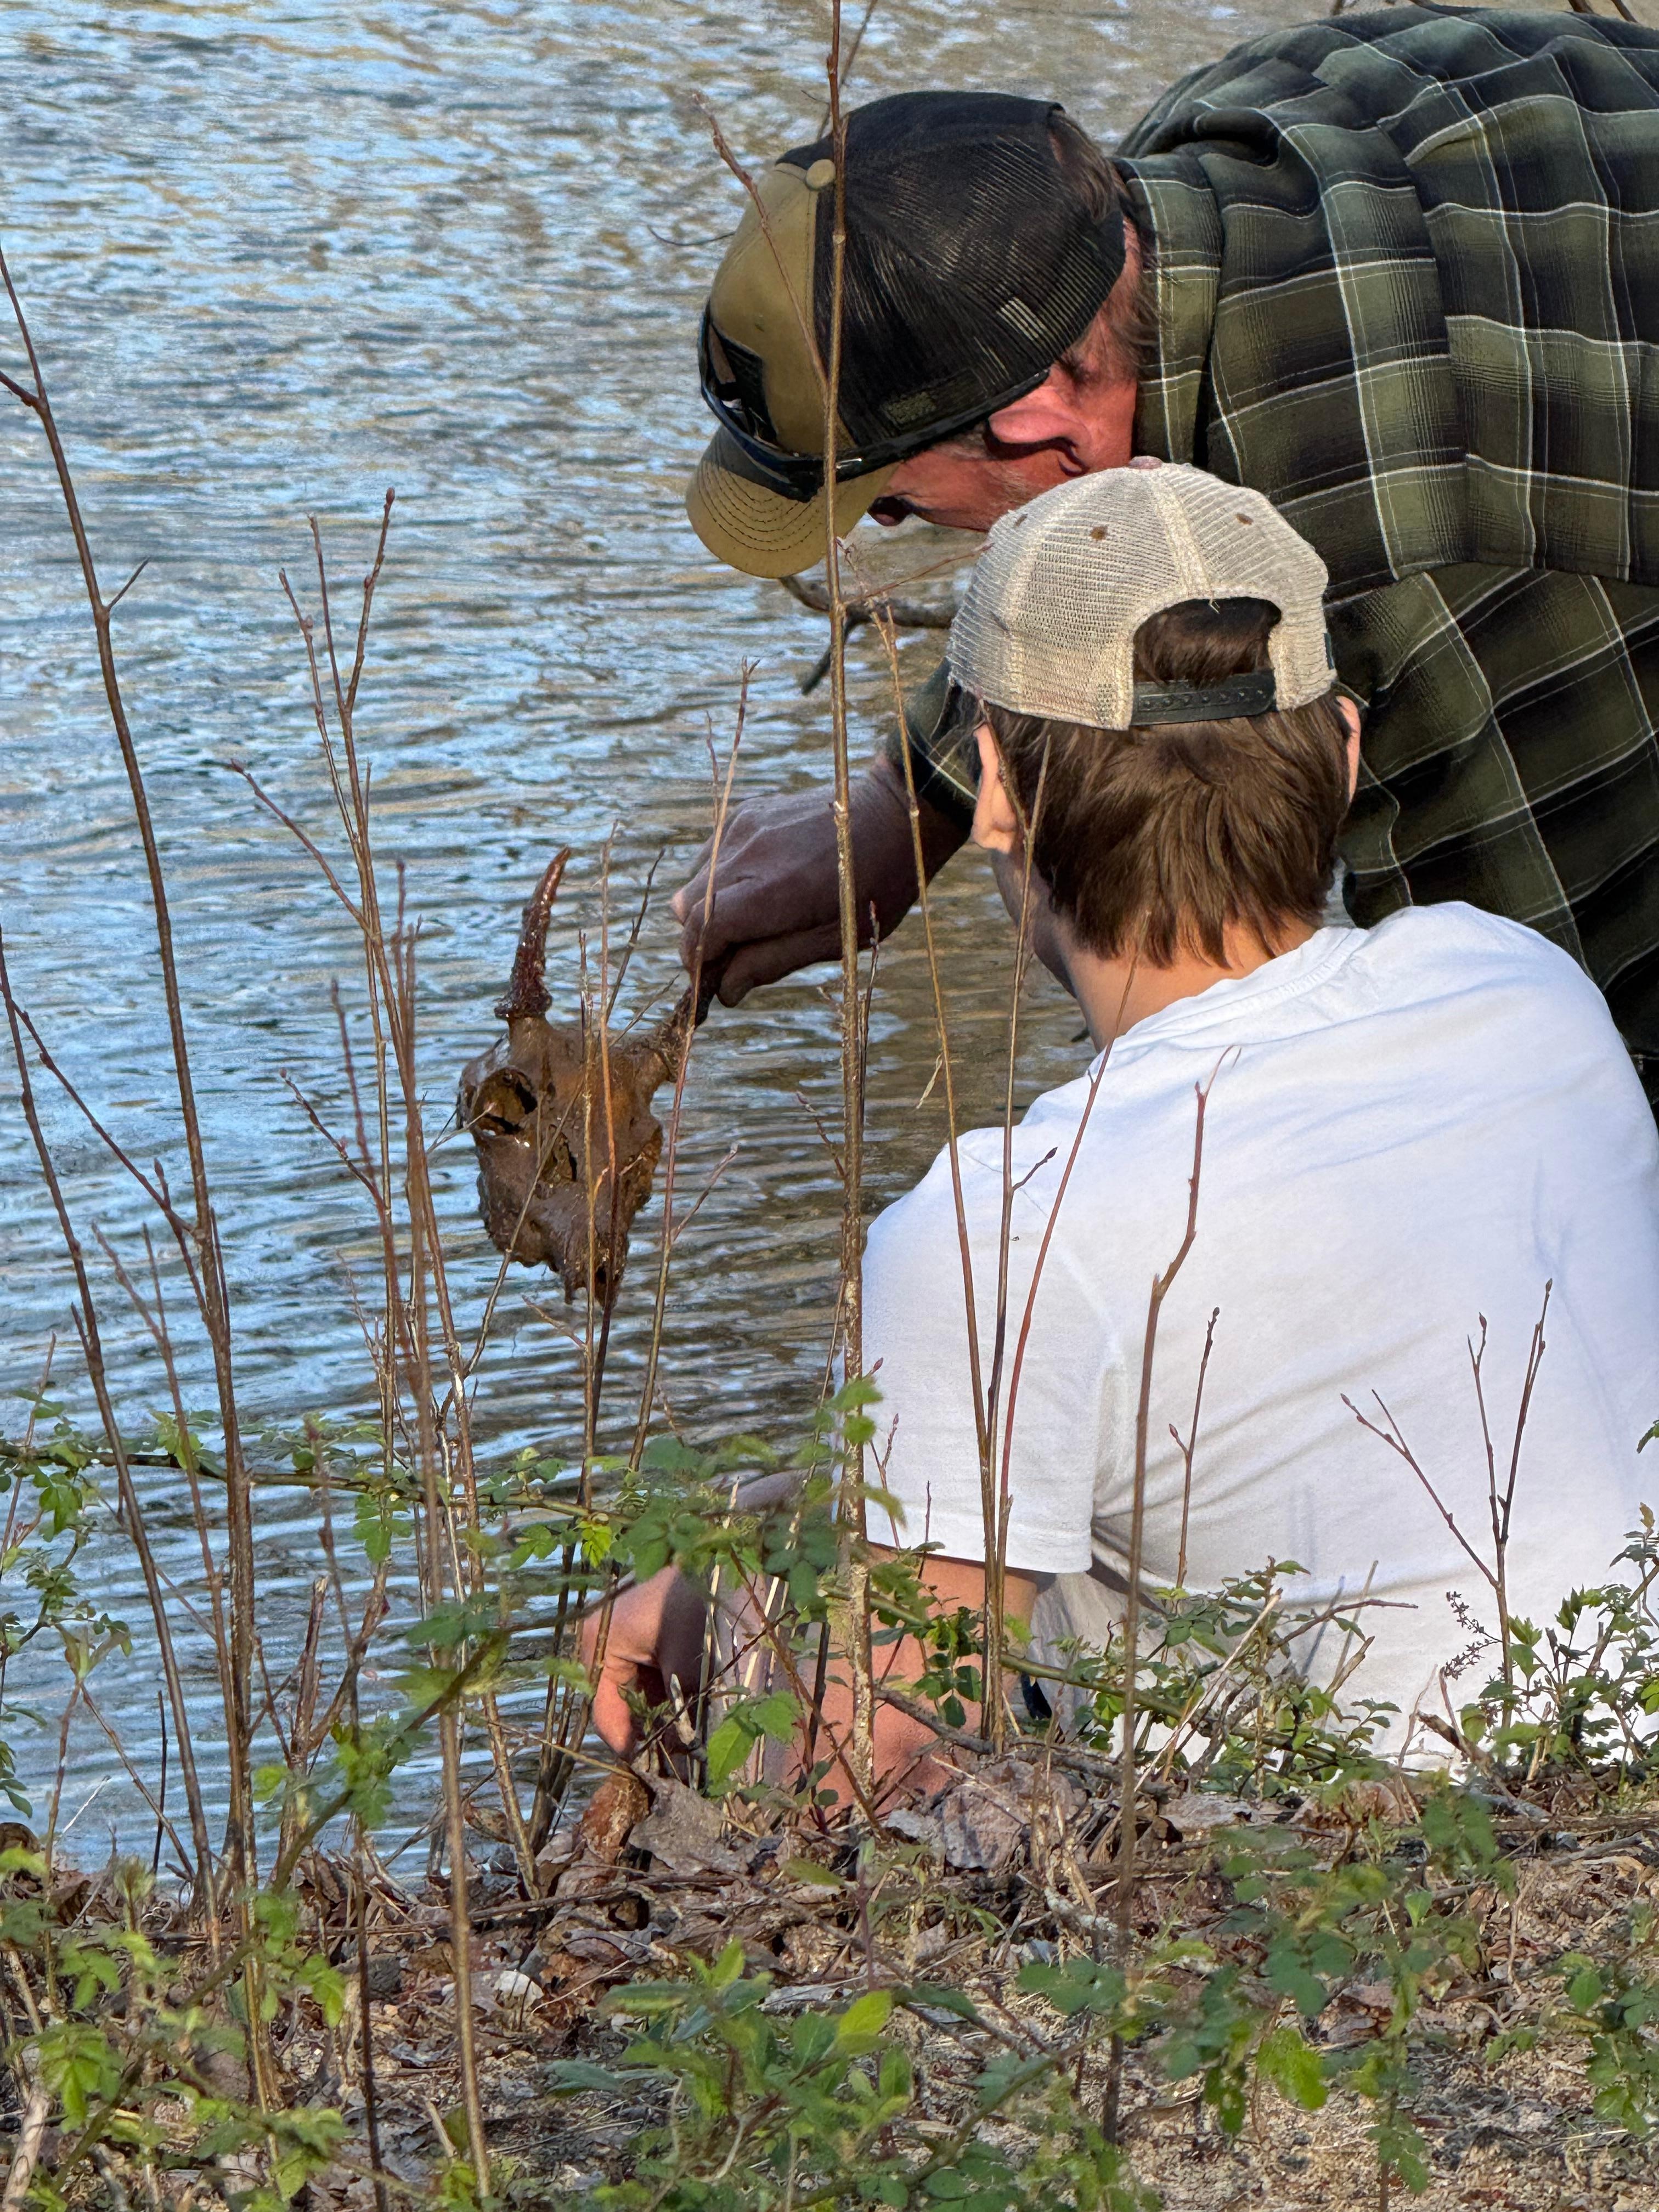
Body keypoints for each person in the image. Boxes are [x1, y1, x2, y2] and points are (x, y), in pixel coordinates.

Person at [589, 464, 1659, 1787]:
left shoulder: (1001, 1230)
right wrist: (774, 1524)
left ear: (992, 790)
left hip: (1379, 1869)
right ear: (1343, 749)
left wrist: (706, 1620)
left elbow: (869, 1763)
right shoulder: (1520, 983)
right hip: (1611, 1801)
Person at [674, 9, 1659, 1107]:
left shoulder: (1411, 559)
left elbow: (1552, 1072)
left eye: (894, 498)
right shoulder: (1135, 197)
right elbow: (1104, 531)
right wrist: (908, 805)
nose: (894, 530)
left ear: (1046, 426)